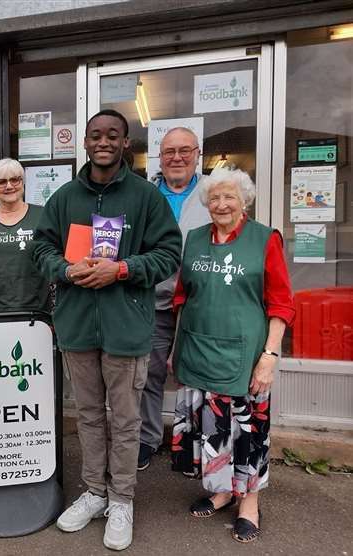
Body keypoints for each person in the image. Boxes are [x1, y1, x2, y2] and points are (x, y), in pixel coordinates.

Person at [33, 109, 182, 551]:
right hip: (78, 328)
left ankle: (122, 499)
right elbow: (41, 247)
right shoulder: (63, 199)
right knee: (90, 416)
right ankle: (95, 491)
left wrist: (122, 269)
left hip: (125, 328)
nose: (103, 141)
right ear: (84, 142)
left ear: (124, 143)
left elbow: (169, 253)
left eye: (112, 135)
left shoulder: (145, 197)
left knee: (125, 418)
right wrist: (64, 268)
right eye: (95, 135)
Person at [170, 167, 294, 543]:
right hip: (198, 349)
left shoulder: (263, 239)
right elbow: (181, 297)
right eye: (215, 198)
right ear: (207, 204)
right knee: (212, 430)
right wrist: (177, 349)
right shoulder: (193, 239)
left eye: (230, 197)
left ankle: (249, 502)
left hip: (245, 355)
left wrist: (270, 356)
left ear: (245, 201)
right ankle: (223, 490)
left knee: (248, 431)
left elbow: (282, 304)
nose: (221, 204)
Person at [137, 127, 212, 471]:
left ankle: (195, 446)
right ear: (160, 157)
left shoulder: (214, 194)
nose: (177, 158)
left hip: (200, 304)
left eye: (185, 150)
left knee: (195, 374)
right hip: (152, 301)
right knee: (149, 373)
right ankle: (147, 438)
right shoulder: (145, 194)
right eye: (169, 152)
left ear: (198, 153)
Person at [0, 158, 50, 312]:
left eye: (15, 180)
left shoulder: (42, 215)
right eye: (1, 182)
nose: (9, 186)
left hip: (37, 312)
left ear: (23, 182)